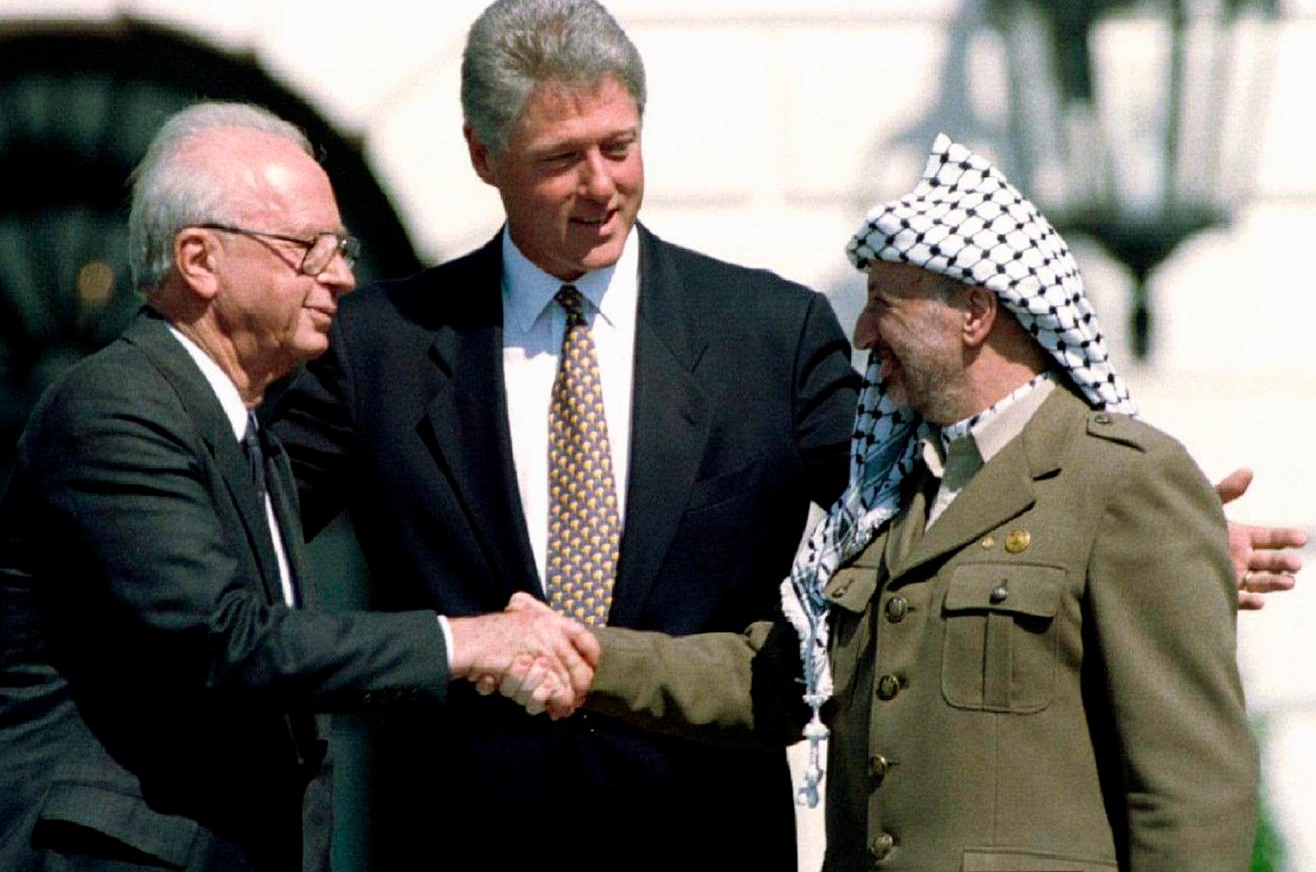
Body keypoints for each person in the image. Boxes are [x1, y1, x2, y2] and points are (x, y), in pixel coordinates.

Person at [0, 0, 1304, 869]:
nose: (602, 182)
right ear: (482, 157)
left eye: (622, 145)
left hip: (697, 851)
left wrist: (1138, 533)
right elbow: (225, 550)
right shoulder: (391, 339)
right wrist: (22, 590)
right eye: (561, 157)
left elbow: (915, 496)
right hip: (464, 852)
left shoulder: (765, 331)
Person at [541, 135, 1264, 871]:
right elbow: (770, 677)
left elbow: (1193, 802)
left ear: (975, 313)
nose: (861, 333)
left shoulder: (1124, 485)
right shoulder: (890, 497)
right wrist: (581, 658)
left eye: (882, 303)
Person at [0, 102, 594, 872]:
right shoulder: (116, 404)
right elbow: (224, 641)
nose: (342, 273)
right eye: (310, 248)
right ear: (199, 259)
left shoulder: (247, 431)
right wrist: (466, 639)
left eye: (343, 246)